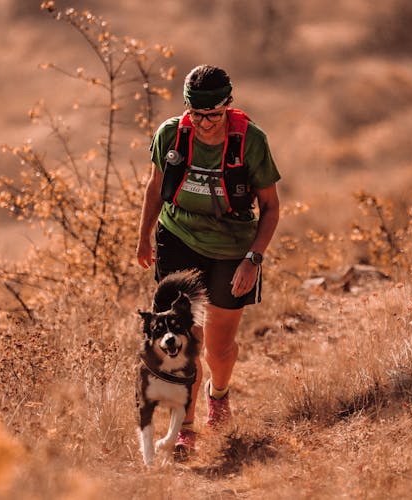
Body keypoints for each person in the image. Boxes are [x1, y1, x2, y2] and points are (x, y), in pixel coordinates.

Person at [136, 64, 281, 458]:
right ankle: (184, 427)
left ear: (228, 106)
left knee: (218, 347)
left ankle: (219, 396)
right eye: (196, 114)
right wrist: (144, 237)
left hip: (232, 246)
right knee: (185, 342)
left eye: (213, 115)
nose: (203, 124)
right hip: (179, 237)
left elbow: (270, 207)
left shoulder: (251, 141)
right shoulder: (171, 134)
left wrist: (254, 259)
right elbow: (154, 187)